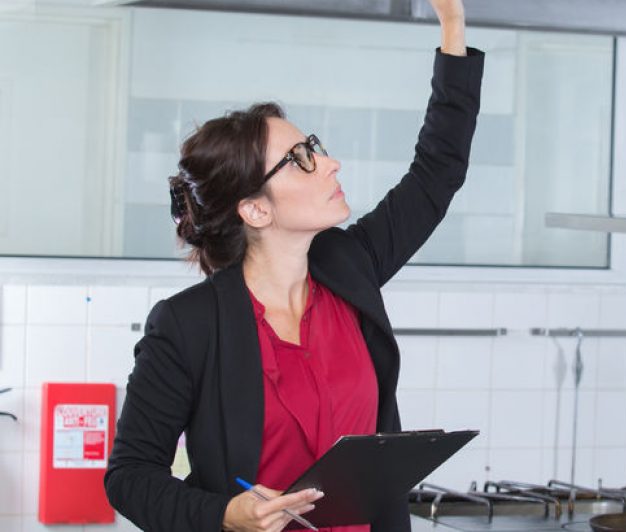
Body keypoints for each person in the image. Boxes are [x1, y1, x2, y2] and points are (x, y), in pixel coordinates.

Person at [103, 1, 481, 530]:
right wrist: (227, 514)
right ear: (255, 209)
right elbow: (130, 476)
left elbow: (437, 171)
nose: (329, 163)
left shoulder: (350, 268)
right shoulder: (187, 326)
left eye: (315, 148)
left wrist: (453, 26)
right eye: (301, 158)